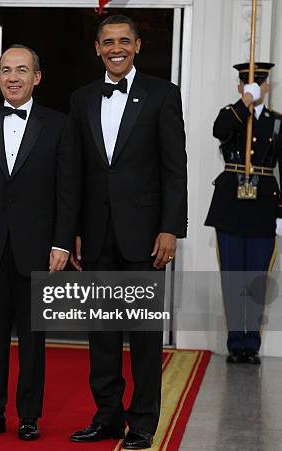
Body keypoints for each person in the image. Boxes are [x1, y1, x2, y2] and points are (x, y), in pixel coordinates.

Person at [68, 15, 187, 449]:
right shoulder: (81, 99)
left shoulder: (162, 94)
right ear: (97, 49)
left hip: (144, 235)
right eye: (107, 42)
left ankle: (142, 423)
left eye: (124, 41)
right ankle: (106, 417)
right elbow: (76, 172)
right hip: (97, 234)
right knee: (101, 338)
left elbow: (176, 170)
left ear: (136, 46)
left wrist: (170, 229)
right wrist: (74, 230)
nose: (115, 48)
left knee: (143, 339)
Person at [0, 44, 76, 441]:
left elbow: (67, 192)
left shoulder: (60, 125)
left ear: (37, 77)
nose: (13, 77)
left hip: (38, 250)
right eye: (6, 70)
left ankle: (29, 417)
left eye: (21, 70)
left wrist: (61, 244)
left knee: (33, 343)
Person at [205, 62, 282, 365]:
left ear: (267, 87)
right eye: (247, 85)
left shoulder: (277, 123)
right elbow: (219, 131)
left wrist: (281, 214)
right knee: (233, 278)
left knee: (257, 279)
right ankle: (236, 343)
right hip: (231, 208)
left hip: (264, 206)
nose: (253, 88)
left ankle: (253, 344)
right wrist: (246, 102)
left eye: (259, 84)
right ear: (240, 87)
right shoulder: (231, 114)